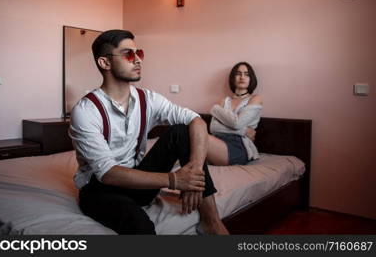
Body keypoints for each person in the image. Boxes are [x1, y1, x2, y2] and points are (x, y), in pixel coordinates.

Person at [69, 29, 228, 235]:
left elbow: (196, 120)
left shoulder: (148, 99)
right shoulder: (86, 111)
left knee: (180, 131)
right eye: (128, 54)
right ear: (105, 63)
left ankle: (211, 221)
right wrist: (174, 180)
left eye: (139, 53)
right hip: (100, 190)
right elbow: (107, 174)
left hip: (139, 185)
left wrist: (193, 173)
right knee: (141, 227)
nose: (137, 60)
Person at [206, 62, 263, 166]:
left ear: (251, 79)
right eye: (238, 74)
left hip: (238, 145)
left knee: (199, 136)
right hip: (217, 141)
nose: (242, 77)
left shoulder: (255, 99)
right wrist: (244, 131)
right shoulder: (224, 101)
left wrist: (215, 109)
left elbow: (237, 123)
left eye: (246, 74)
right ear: (233, 78)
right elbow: (213, 128)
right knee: (193, 135)